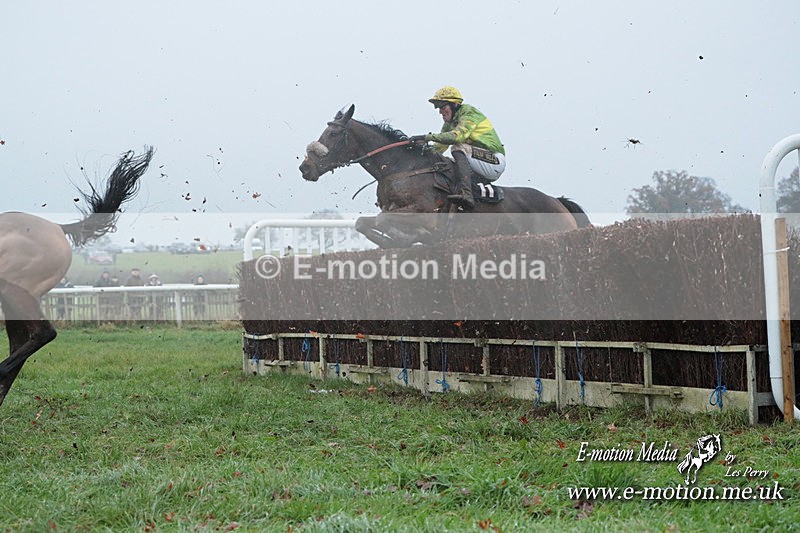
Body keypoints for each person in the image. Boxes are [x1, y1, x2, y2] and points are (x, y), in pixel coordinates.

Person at [409, 86, 506, 209]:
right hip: (477, 161)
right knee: (445, 162)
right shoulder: (449, 124)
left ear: (454, 105)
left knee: (457, 147)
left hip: (494, 161)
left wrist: (426, 137)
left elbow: (457, 137)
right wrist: (418, 151)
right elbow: (439, 148)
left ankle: (466, 194)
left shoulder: (469, 112)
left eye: (443, 107)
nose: (440, 112)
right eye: (438, 108)